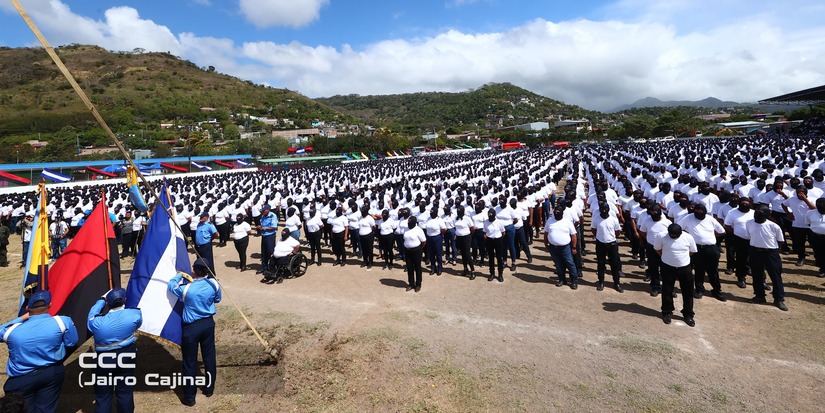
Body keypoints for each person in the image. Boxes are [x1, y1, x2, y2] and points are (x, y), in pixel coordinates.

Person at [0, 290, 79, 413]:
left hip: (21, 378)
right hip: (51, 373)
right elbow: (71, 342)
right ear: (50, 305)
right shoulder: (63, 322)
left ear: (27, 308)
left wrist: (22, 317)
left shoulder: (11, 331)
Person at [168, 259, 221, 407]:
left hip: (191, 328)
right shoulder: (214, 284)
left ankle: (190, 397)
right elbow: (217, 299)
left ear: (194, 271)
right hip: (208, 324)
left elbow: (171, 287)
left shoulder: (186, 289)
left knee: (189, 362)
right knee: (209, 357)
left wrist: (179, 275)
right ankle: (209, 389)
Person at [87, 287, 143, 413]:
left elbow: (91, 315)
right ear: (125, 300)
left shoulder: (96, 322)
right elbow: (137, 324)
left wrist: (101, 299)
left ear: (107, 303)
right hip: (127, 355)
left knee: (103, 396)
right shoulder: (135, 314)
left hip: (104, 359)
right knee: (125, 392)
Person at [679, 203, 727, 301]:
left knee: (713, 271)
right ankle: (699, 289)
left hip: (711, 248)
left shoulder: (710, 219)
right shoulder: (688, 218)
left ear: (705, 212)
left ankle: (717, 290)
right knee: (699, 270)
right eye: (697, 211)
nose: (699, 213)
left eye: (701, 212)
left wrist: (711, 238)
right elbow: (679, 229)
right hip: (697, 248)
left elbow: (722, 231)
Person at [746, 206, 788, 311]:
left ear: (766, 215)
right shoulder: (749, 223)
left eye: (760, 213)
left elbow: (780, 241)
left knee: (775, 276)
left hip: (770, 253)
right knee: (757, 275)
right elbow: (749, 235)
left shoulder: (773, 226)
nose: (756, 215)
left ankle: (779, 299)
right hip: (755, 251)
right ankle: (759, 296)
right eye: (756, 213)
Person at [655, 224, 698, 326]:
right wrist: (669, 258)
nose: (673, 236)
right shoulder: (661, 236)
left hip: (685, 268)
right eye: (671, 235)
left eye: (676, 235)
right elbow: (658, 249)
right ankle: (667, 312)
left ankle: (688, 314)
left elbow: (692, 251)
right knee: (667, 290)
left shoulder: (688, 237)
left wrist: (680, 260)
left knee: (688, 291)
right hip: (668, 267)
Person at [544, 205, 579, 288]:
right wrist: (546, 244)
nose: (556, 214)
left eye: (558, 213)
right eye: (555, 213)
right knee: (558, 264)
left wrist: (574, 247)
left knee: (570, 264)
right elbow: (546, 233)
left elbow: (573, 235)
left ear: (562, 213)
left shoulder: (567, 222)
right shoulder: (550, 221)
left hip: (565, 248)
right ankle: (562, 279)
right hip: (553, 247)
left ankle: (574, 281)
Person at [590, 203, 623, 292]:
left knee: (614, 264)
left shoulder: (613, 219)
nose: (604, 210)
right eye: (602, 209)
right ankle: (601, 282)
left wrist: (611, 238)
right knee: (601, 264)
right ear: (599, 209)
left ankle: (617, 283)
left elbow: (617, 232)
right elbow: (593, 230)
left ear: (608, 209)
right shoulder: (596, 219)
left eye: (605, 209)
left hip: (612, 244)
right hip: (600, 244)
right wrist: (600, 236)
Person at [724, 198, 755, 288]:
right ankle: (741, 278)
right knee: (740, 259)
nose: (745, 205)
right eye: (743, 204)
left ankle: (759, 280)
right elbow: (727, 225)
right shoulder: (732, 213)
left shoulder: (753, 213)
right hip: (739, 239)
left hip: (753, 239)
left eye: (747, 204)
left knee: (753, 259)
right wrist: (736, 233)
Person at [403, 216, 426, 292]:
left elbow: (423, 241)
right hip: (407, 251)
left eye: (410, 222)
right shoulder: (406, 229)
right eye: (408, 222)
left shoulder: (418, 230)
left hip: (416, 250)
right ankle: (411, 283)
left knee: (417, 267)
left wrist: (418, 248)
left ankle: (418, 284)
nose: (409, 223)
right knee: (409, 267)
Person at [483, 208, 507, 282]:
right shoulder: (486, 222)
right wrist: (485, 236)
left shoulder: (499, 222)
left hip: (498, 240)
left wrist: (498, 238)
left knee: (499, 258)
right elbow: (484, 231)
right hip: (489, 240)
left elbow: (503, 232)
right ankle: (492, 273)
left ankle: (500, 274)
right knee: (491, 258)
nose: (490, 218)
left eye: (491, 216)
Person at [453, 205, 476, 278]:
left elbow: (473, 228)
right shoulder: (455, 218)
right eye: (458, 210)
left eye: (460, 210)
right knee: (462, 254)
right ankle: (465, 268)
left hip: (466, 237)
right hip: (459, 238)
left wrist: (468, 235)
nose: (458, 211)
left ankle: (473, 271)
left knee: (467, 254)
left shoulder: (467, 218)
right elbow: (455, 227)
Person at [805, 198, 825, 278]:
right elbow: (808, 223)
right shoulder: (810, 213)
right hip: (816, 237)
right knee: (819, 253)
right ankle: (823, 269)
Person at [194, 212, 218, 276]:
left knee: (208, 260)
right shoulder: (199, 224)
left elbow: (216, 233)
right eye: (200, 217)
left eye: (202, 217)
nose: (200, 218)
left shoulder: (209, 225)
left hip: (206, 245)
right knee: (200, 260)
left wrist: (210, 240)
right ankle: (202, 273)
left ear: (206, 218)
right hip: (198, 246)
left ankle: (210, 275)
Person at [424, 208, 446, 275]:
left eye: (432, 212)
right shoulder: (428, 219)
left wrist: (440, 235)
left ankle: (440, 268)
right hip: (429, 238)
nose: (431, 213)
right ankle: (433, 268)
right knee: (431, 254)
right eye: (430, 212)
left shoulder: (439, 220)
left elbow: (443, 229)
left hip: (437, 238)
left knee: (438, 254)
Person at [257, 204, 277, 273]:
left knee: (270, 252)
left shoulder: (273, 216)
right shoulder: (263, 216)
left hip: (270, 236)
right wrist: (260, 226)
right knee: (264, 252)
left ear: (268, 210)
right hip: (264, 236)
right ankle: (264, 267)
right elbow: (263, 224)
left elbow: (274, 227)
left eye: (263, 211)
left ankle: (272, 267)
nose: (262, 212)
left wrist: (264, 229)